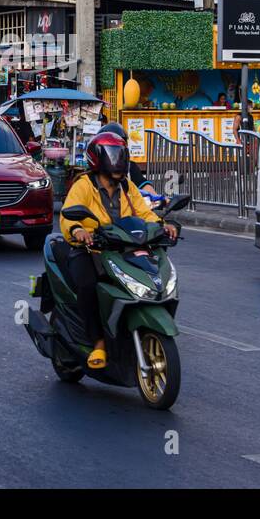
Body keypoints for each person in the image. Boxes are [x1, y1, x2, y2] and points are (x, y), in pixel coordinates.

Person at [59, 129, 175, 370]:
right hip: (90, 249)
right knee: (87, 284)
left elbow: (144, 213)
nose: (117, 162)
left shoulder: (127, 187)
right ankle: (98, 342)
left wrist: (163, 226)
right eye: (112, 156)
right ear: (98, 160)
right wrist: (78, 230)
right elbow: (68, 214)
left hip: (122, 248)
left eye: (120, 155)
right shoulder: (84, 185)